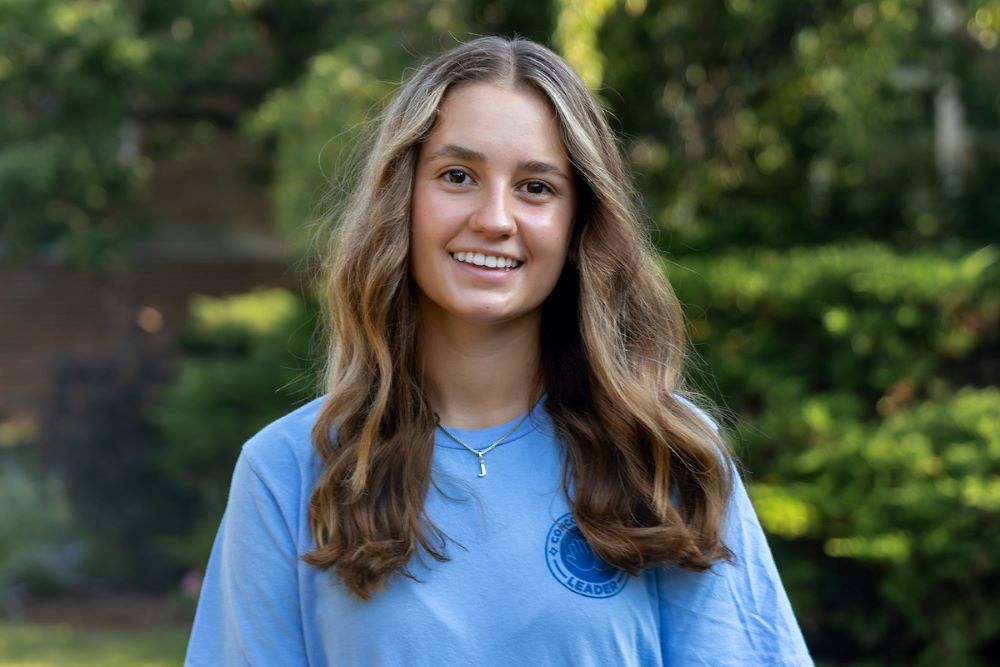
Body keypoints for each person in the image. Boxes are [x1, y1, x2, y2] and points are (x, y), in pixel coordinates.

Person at [185, 36, 813, 666]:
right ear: (400, 201)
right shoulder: (288, 473)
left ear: (578, 226)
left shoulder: (662, 455)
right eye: (457, 176)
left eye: (536, 187)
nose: (494, 218)